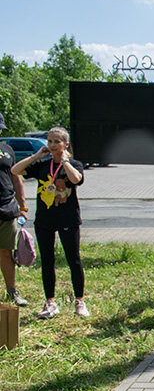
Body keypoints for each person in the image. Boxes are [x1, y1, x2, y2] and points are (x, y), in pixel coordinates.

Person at [11, 127, 88, 318]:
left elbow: (76, 179)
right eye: (50, 141)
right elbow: (15, 170)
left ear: (65, 144)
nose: (52, 145)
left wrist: (65, 162)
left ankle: (79, 301)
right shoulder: (43, 165)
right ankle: (50, 303)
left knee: (74, 260)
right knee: (47, 261)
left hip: (68, 219)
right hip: (45, 220)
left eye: (57, 142)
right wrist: (36, 156)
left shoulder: (75, 164)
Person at [0, 112, 29, 307]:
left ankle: (12, 291)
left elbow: (16, 179)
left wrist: (23, 206)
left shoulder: (7, 150)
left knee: (5, 252)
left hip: (6, 209)